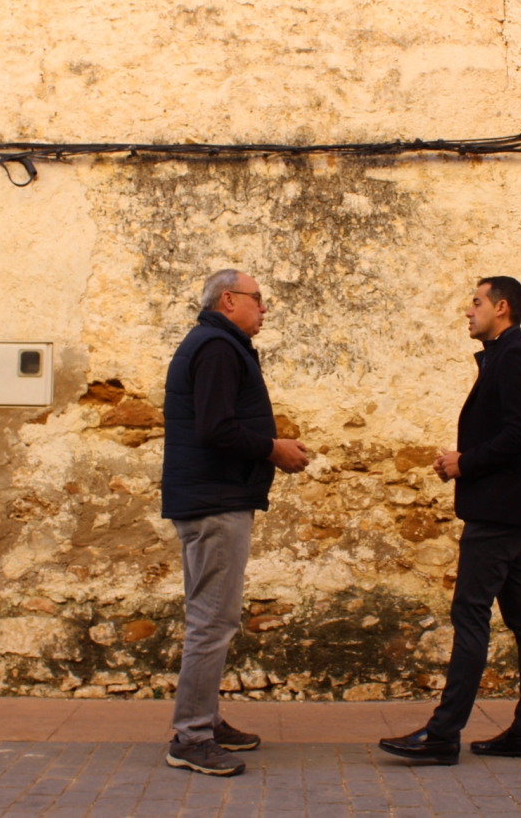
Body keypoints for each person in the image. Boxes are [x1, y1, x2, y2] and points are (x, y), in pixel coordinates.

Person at [379, 276, 521, 765]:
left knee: (470, 614)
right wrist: (462, 459)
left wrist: (465, 463)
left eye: (475, 303)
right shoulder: (504, 356)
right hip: (506, 510)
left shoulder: (515, 358)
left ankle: (442, 734)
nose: (467, 311)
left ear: (501, 308)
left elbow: (520, 437)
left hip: (498, 513)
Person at [161, 269, 310, 777]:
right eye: (258, 300)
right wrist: (274, 450)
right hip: (214, 500)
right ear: (229, 301)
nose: (264, 309)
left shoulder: (214, 343)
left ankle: (204, 720)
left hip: (212, 497)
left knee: (212, 617)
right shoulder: (219, 347)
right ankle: (193, 735)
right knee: (213, 621)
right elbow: (216, 428)